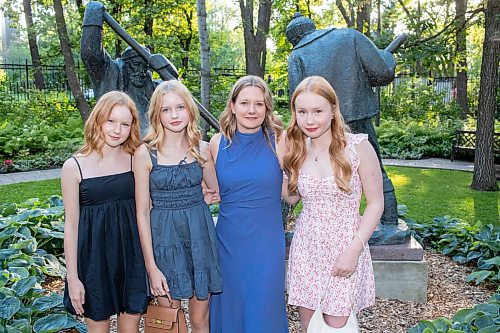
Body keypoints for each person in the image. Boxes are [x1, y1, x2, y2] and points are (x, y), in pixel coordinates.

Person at [280, 76, 383, 331]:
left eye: (317, 111)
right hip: (307, 247)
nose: (310, 120)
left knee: (336, 326)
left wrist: (354, 250)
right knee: (309, 327)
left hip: (345, 246)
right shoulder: (297, 150)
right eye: (302, 112)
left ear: (333, 111)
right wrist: (276, 163)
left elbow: (375, 204)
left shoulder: (358, 147)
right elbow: (292, 198)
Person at [286, 13, 400, 230]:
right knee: (377, 169)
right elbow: (383, 72)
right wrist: (388, 58)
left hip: (317, 126)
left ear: (294, 38)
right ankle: (389, 222)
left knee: (309, 170)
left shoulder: (297, 56)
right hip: (357, 117)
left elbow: (296, 96)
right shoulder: (350, 36)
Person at [134, 80, 222, 333]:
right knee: (168, 322)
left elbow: (216, 191)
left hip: (199, 239)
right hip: (163, 242)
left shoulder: (201, 150)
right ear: (156, 115)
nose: (174, 115)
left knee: (200, 320)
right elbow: (141, 211)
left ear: (190, 111)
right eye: (166, 109)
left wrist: (206, 196)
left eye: (180, 107)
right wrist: (151, 267)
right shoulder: (145, 153)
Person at [62, 91, 148, 332]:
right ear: (97, 119)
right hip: (93, 260)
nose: (116, 130)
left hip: (130, 255)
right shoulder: (74, 166)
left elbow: (148, 205)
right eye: (110, 121)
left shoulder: (135, 159)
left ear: (132, 128)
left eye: (124, 124)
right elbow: (71, 225)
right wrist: (73, 277)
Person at [209, 75, 289, 333]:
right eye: (244, 103)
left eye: (259, 104)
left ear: (267, 109)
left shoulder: (280, 140)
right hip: (228, 243)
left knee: (263, 307)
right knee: (229, 307)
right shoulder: (216, 143)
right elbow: (210, 190)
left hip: (266, 242)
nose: (251, 110)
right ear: (232, 105)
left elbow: (292, 194)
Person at [81, 1, 178, 137]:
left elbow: (179, 96)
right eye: (136, 64)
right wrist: (93, 15)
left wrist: (166, 67)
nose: (142, 70)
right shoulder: (111, 77)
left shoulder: (155, 89)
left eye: (146, 65)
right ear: (125, 64)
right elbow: (91, 54)